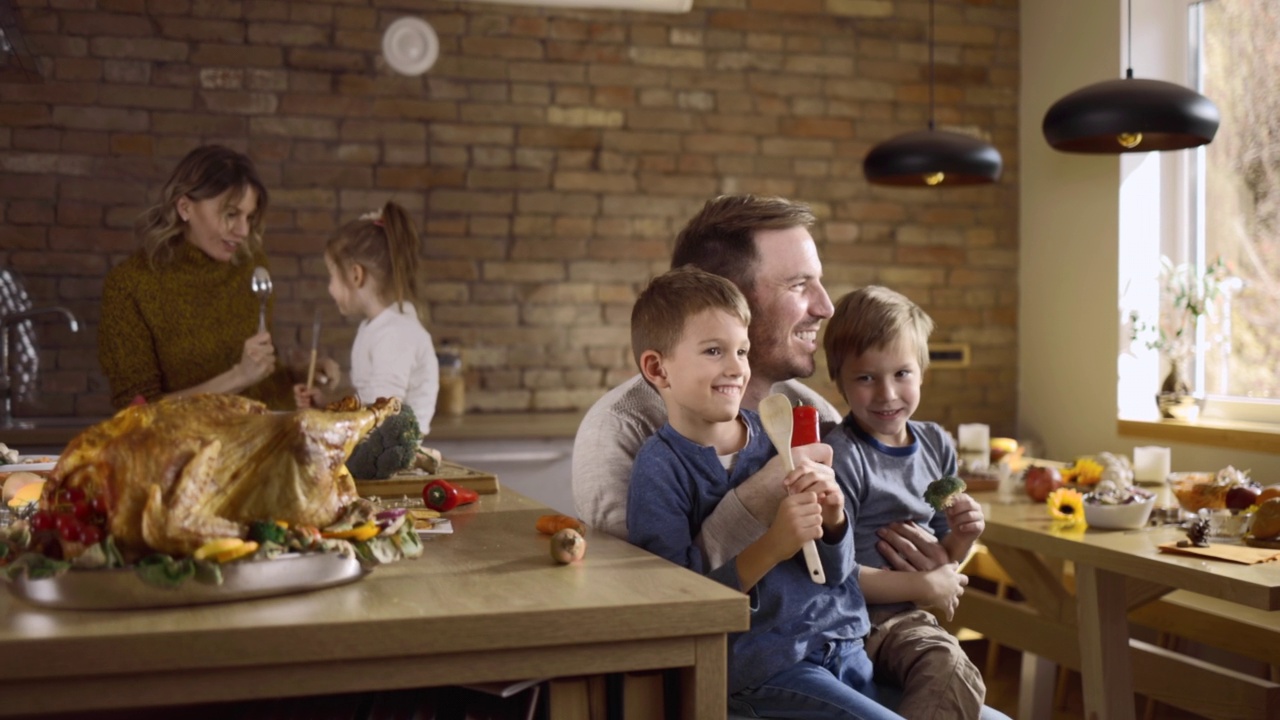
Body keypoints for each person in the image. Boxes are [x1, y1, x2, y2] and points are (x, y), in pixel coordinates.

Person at [626, 266, 902, 720]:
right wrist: (774, 545)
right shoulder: (659, 470)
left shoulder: (779, 434)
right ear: (658, 368)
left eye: (742, 350)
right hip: (767, 669)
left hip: (847, 646)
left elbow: (834, 574)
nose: (737, 367)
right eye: (714, 351)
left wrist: (833, 520)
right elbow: (679, 604)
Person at [573, 195, 841, 568]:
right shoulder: (621, 429)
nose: (826, 307)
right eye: (799, 285)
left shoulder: (813, 411)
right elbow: (649, 595)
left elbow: (849, 573)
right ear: (723, 294)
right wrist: (763, 493)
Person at [822, 285, 989, 718]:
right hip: (858, 618)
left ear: (922, 371)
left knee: (958, 673)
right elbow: (833, 573)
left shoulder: (936, 443)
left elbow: (941, 548)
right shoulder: (843, 455)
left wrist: (964, 538)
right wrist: (925, 586)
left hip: (911, 615)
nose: (887, 394)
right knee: (951, 667)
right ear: (838, 380)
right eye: (866, 378)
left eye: (902, 373)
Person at [99, 145, 293, 410]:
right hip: (193, 449)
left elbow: (263, 374)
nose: (243, 230)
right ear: (185, 207)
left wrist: (302, 376)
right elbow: (136, 413)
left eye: (249, 216)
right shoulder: (130, 286)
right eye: (231, 214)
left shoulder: (252, 265)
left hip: (269, 440)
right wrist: (238, 376)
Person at [293, 201, 439, 432]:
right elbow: (368, 402)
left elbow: (382, 414)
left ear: (355, 275)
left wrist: (332, 419)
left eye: (332, 276)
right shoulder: (376, 327)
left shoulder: (395, 333)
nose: (330, 288)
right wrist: (326, 406)